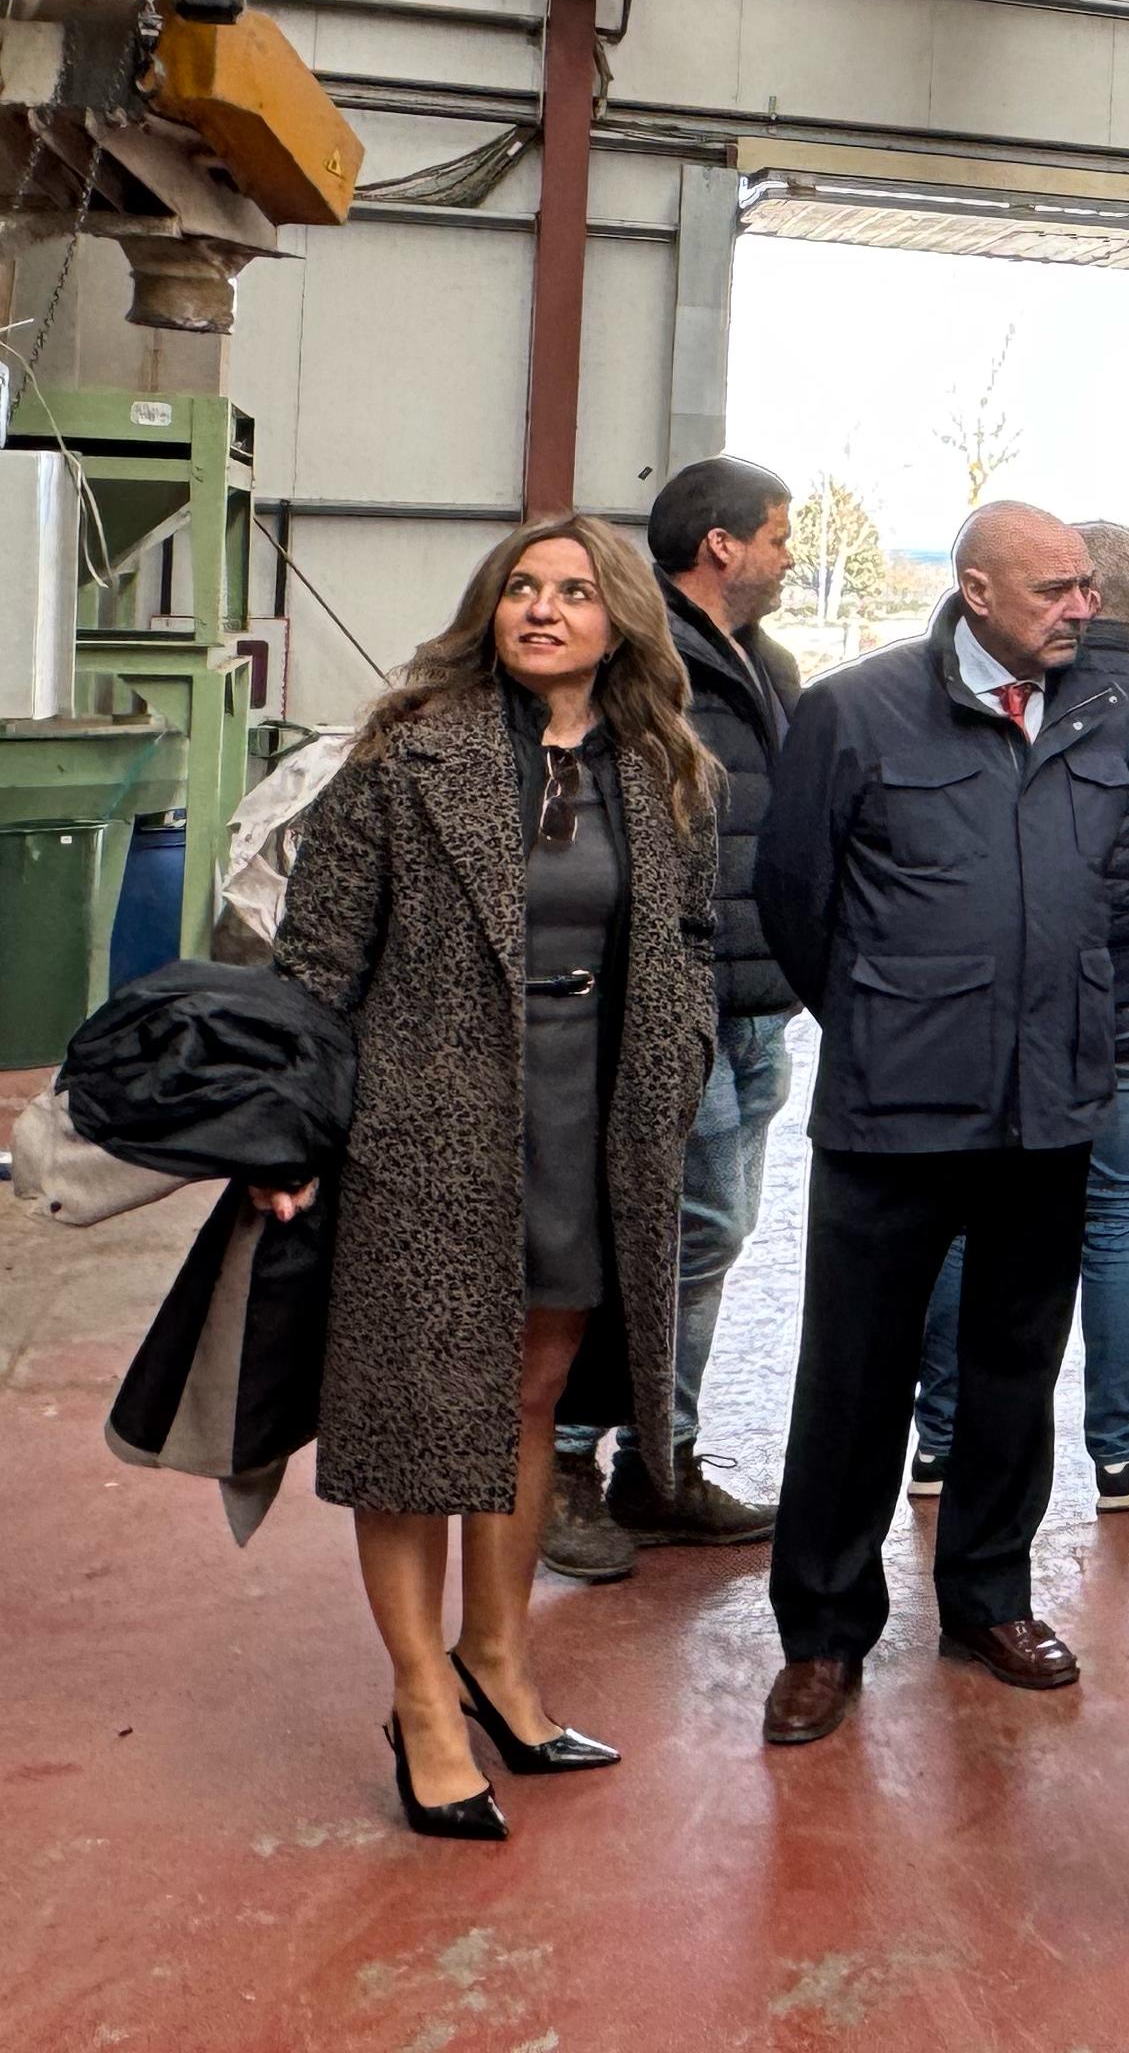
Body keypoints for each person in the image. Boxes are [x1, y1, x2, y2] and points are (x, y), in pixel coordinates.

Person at [267, 516, 722, 1839]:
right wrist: (289, 1135)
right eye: (521, 587)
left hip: (594, 1122)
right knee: (416, 1419)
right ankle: (421, 1701)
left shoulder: (669, 769)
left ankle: (503, 1665)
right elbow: (315, 961)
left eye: (573, 592)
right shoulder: (410, 757)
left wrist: (679, 1053)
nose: (542, 609)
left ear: (618, 618)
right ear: (491, 609)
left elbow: (691, 940)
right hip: (426, 1122)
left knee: (531, 1391)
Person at [752, 502, 1129, 1746]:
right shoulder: (855, 713)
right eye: (1053, 591)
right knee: (854, 1384)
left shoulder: (1105, 714)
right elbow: (796, 898)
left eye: (1086, 586)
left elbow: (1125, 895)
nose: (1082, 608)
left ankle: (988, 1596)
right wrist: (891, 1015)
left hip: (1050, 1108)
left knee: (1014, 1373)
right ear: (975, 591)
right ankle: (821, 1634)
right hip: (895, 1113)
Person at [546, 455, 800, 1581]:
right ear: (722, 546)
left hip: (751, 1004)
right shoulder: (642, 666)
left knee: (711, 1233)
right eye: (782, 537)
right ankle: (560, 1461)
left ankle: (664, 1460)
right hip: (664, 1003)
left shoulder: (764, 665)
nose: (792, 557)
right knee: (652, 1229)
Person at [909, 517, 1129, 1512]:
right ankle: (1120, 1449)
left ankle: (940, 1441)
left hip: (1012, 1006)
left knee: (967, 1227)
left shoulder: (1022, 695)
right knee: (1114, 1225)